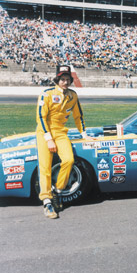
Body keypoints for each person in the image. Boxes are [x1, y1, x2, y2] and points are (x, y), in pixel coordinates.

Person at [36, 65, 91, 219]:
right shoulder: (46, 94)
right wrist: (48, 139)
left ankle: (58, 190)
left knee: (68, 160)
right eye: (62, 79)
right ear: (57, 80)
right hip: (44, 132)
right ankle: (47, 202)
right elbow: (40, 118)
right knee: (45, 168)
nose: (65, 82)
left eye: (67, 79)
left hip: (60, 132)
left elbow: (78, 116)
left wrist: (84, 134)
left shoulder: (73, 95)